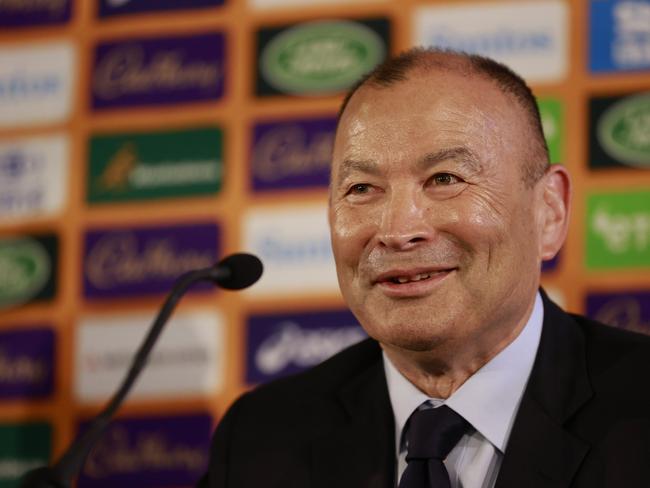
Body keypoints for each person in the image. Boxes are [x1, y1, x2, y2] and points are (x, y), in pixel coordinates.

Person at [197, 48, 650, 488]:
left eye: (444, 179)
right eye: (361, 188)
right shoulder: (263, 439)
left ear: (548, 211)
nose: (397, 230)